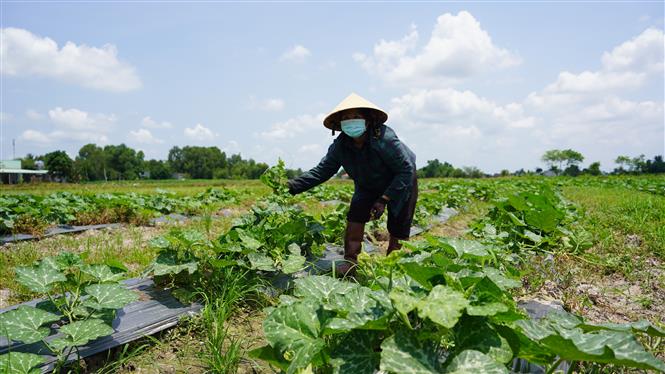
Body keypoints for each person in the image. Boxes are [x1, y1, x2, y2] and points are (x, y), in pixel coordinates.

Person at [287, 93, 418, 275]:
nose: (351, 121)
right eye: (346, 118)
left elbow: (406, 170)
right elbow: (323, 170)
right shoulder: (341, 146)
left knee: (398, 223)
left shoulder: (384, 138)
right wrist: (292, 185)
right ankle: (350, 262)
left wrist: (384, 199)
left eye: (356, 116)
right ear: (340, 124)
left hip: (400, 180)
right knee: (355, 215)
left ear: (368, 119)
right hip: (367, 183)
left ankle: (393, 266)